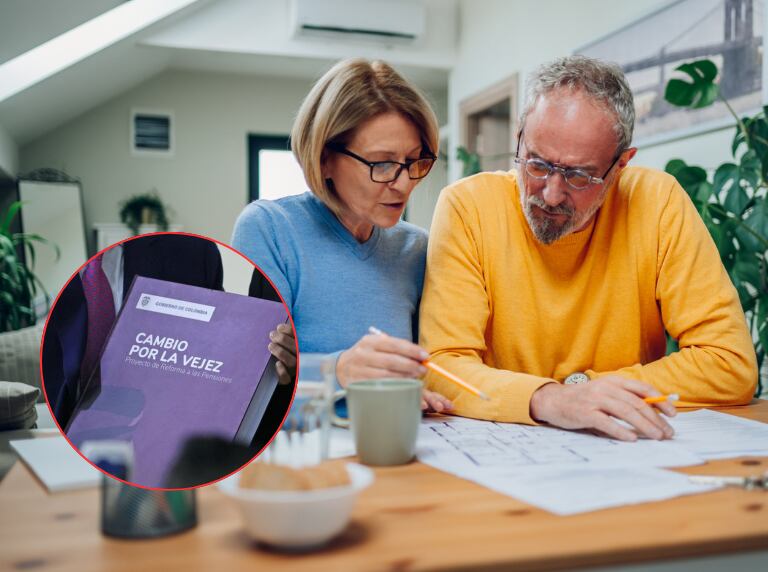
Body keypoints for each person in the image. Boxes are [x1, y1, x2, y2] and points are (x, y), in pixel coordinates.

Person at [419, 55, 758, 441]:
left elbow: (729, 363)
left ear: (620, 166)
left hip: (621, 447)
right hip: (499, 444)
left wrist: (585, 390)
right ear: (519, 137)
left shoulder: (658, 202)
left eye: (579, 176)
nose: (550, 193)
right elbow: (442, 367)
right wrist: (550, 400)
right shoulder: (467, 207)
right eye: (537, 164)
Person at [232, 58, 452, 412]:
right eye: (382, 163)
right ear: (324, 159)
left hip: (390, 445)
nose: (404, 183)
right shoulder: (269, 229)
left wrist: (415, 393)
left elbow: (419, 370)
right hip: (305, 452)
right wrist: (339, 371)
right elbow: (242, 381)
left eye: (415, 161)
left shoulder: (415, 249)